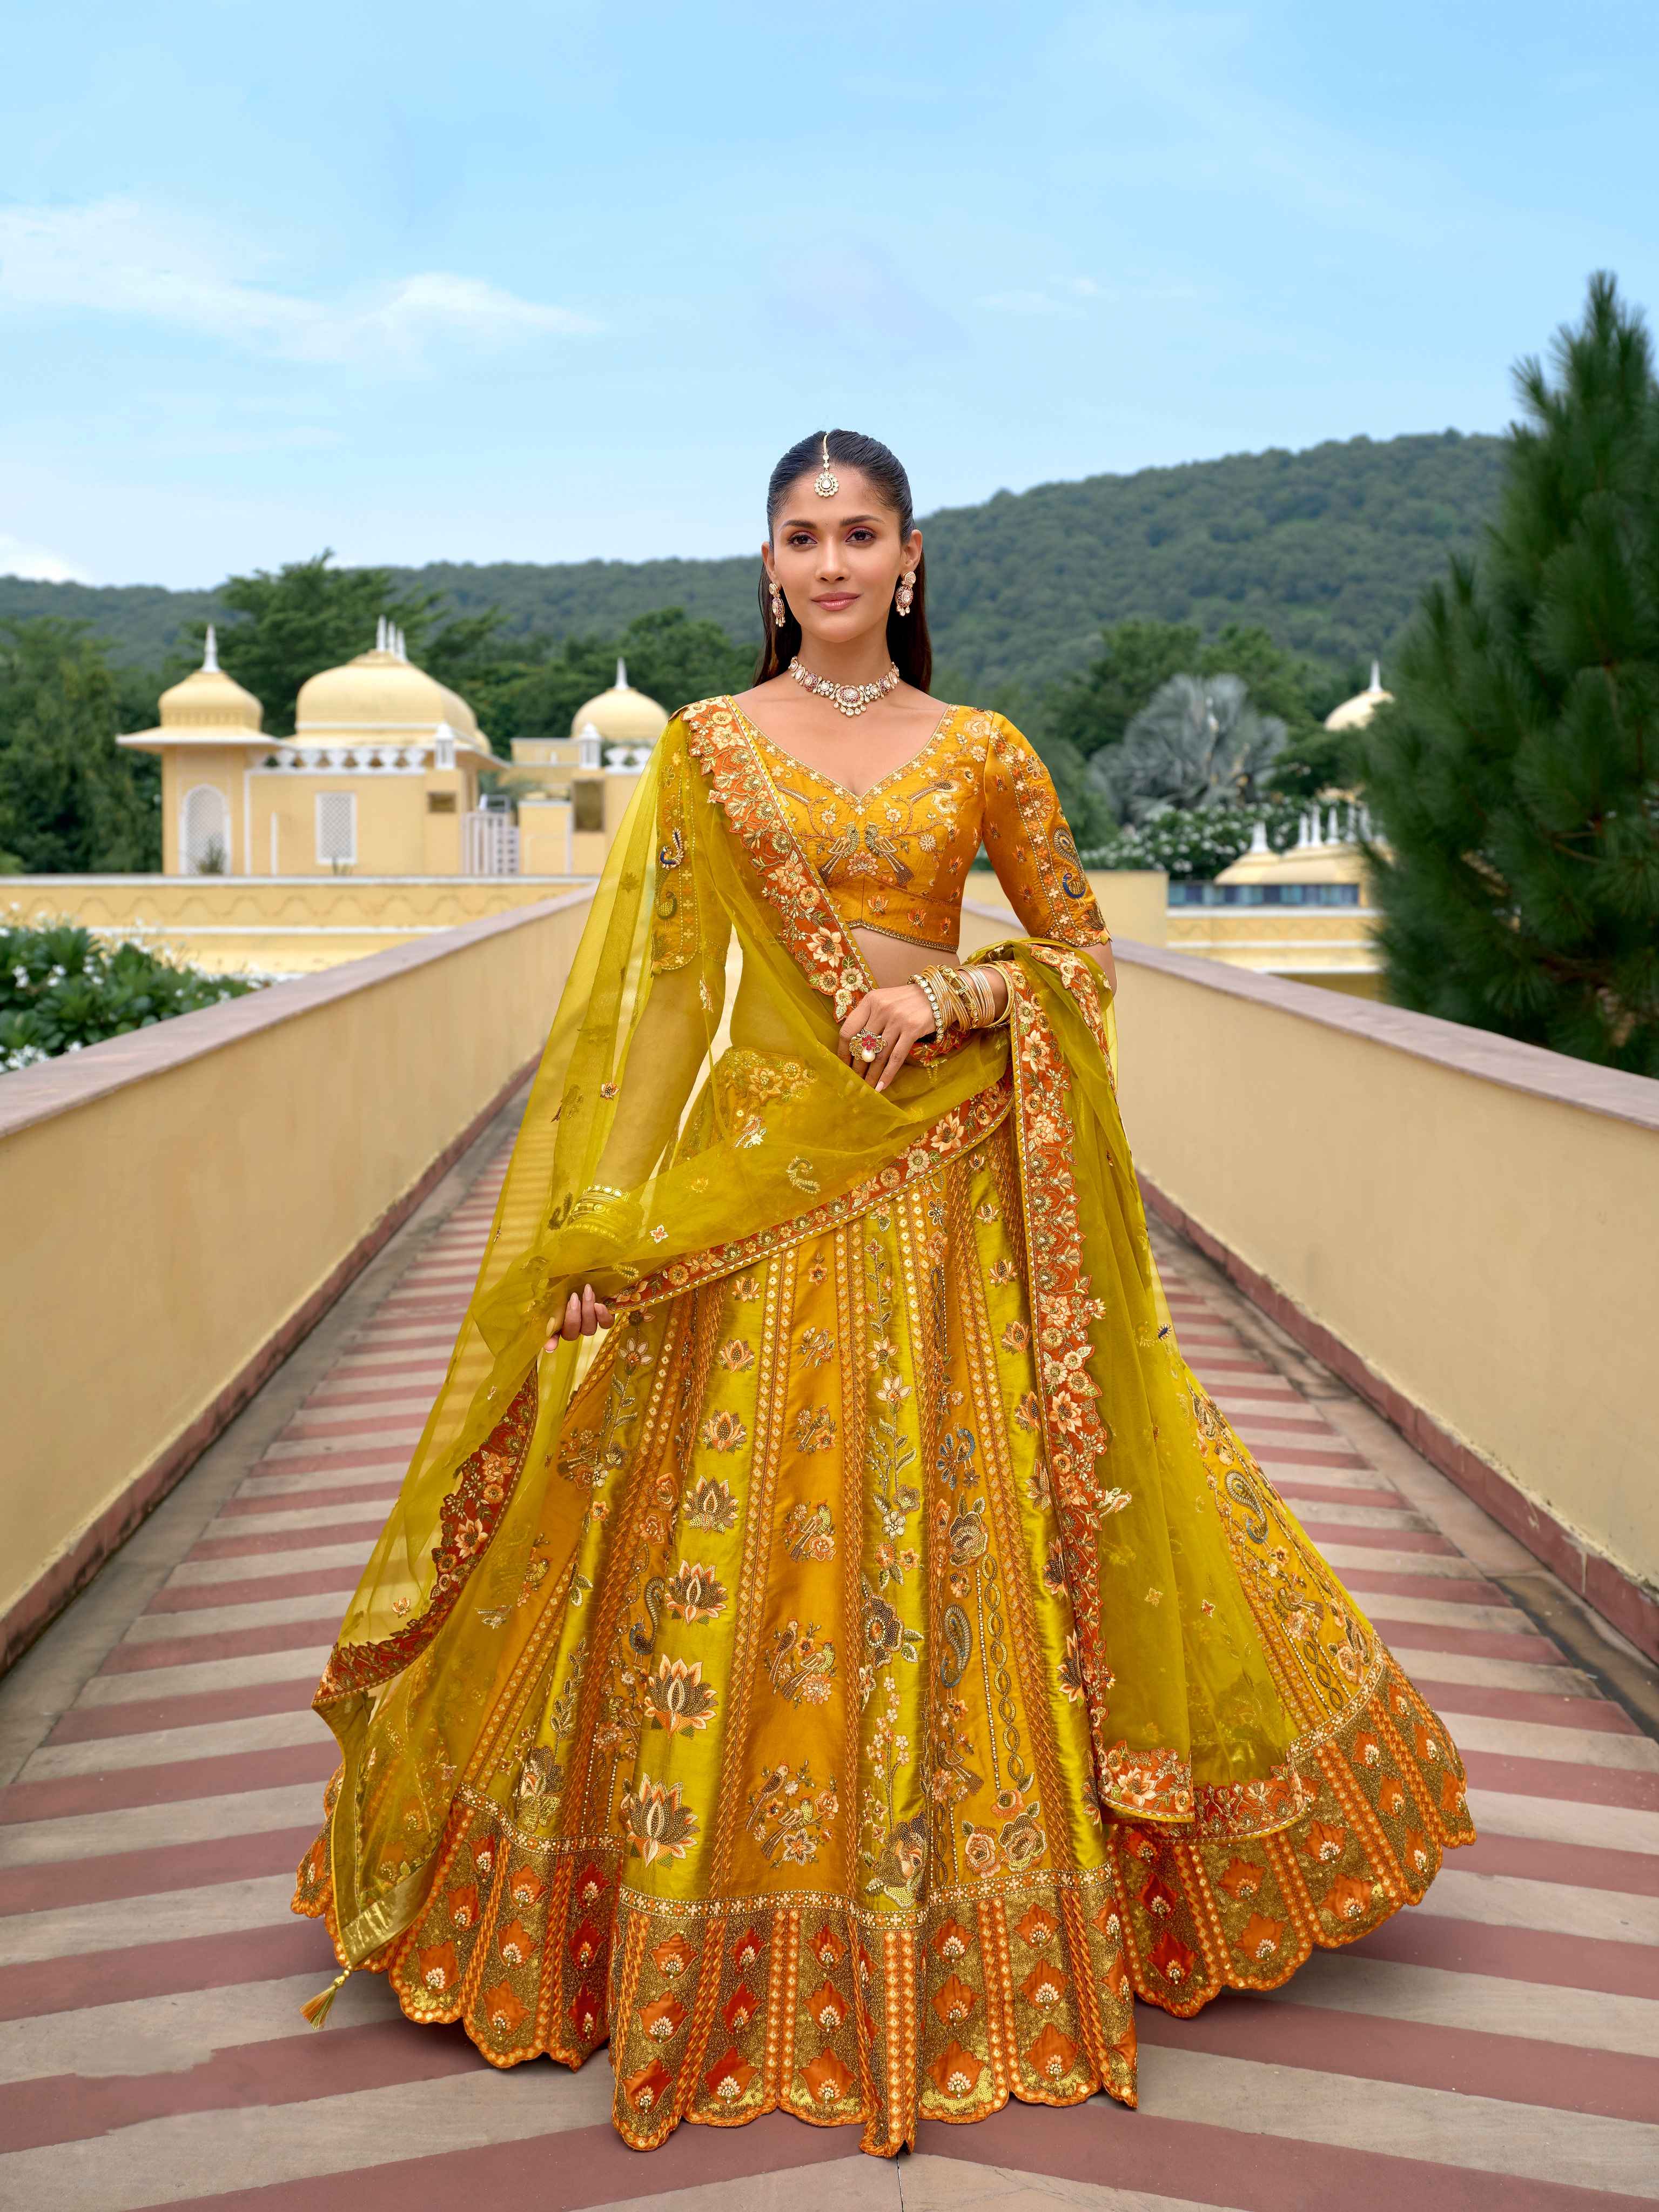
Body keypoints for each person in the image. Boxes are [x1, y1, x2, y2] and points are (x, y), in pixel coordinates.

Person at [293, 428, 1473, 2157]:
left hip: (943, 1187)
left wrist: (955, 1000)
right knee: (709, 1529)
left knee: (973, 1516)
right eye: (803, 535)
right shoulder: (709, 750)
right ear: (768, 563)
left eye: (861, 533)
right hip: (758, 1189)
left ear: (910, 557)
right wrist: (606, 1228)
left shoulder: (982, 749)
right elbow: (665, 1008)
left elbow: (1082, 957)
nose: (833, 563)